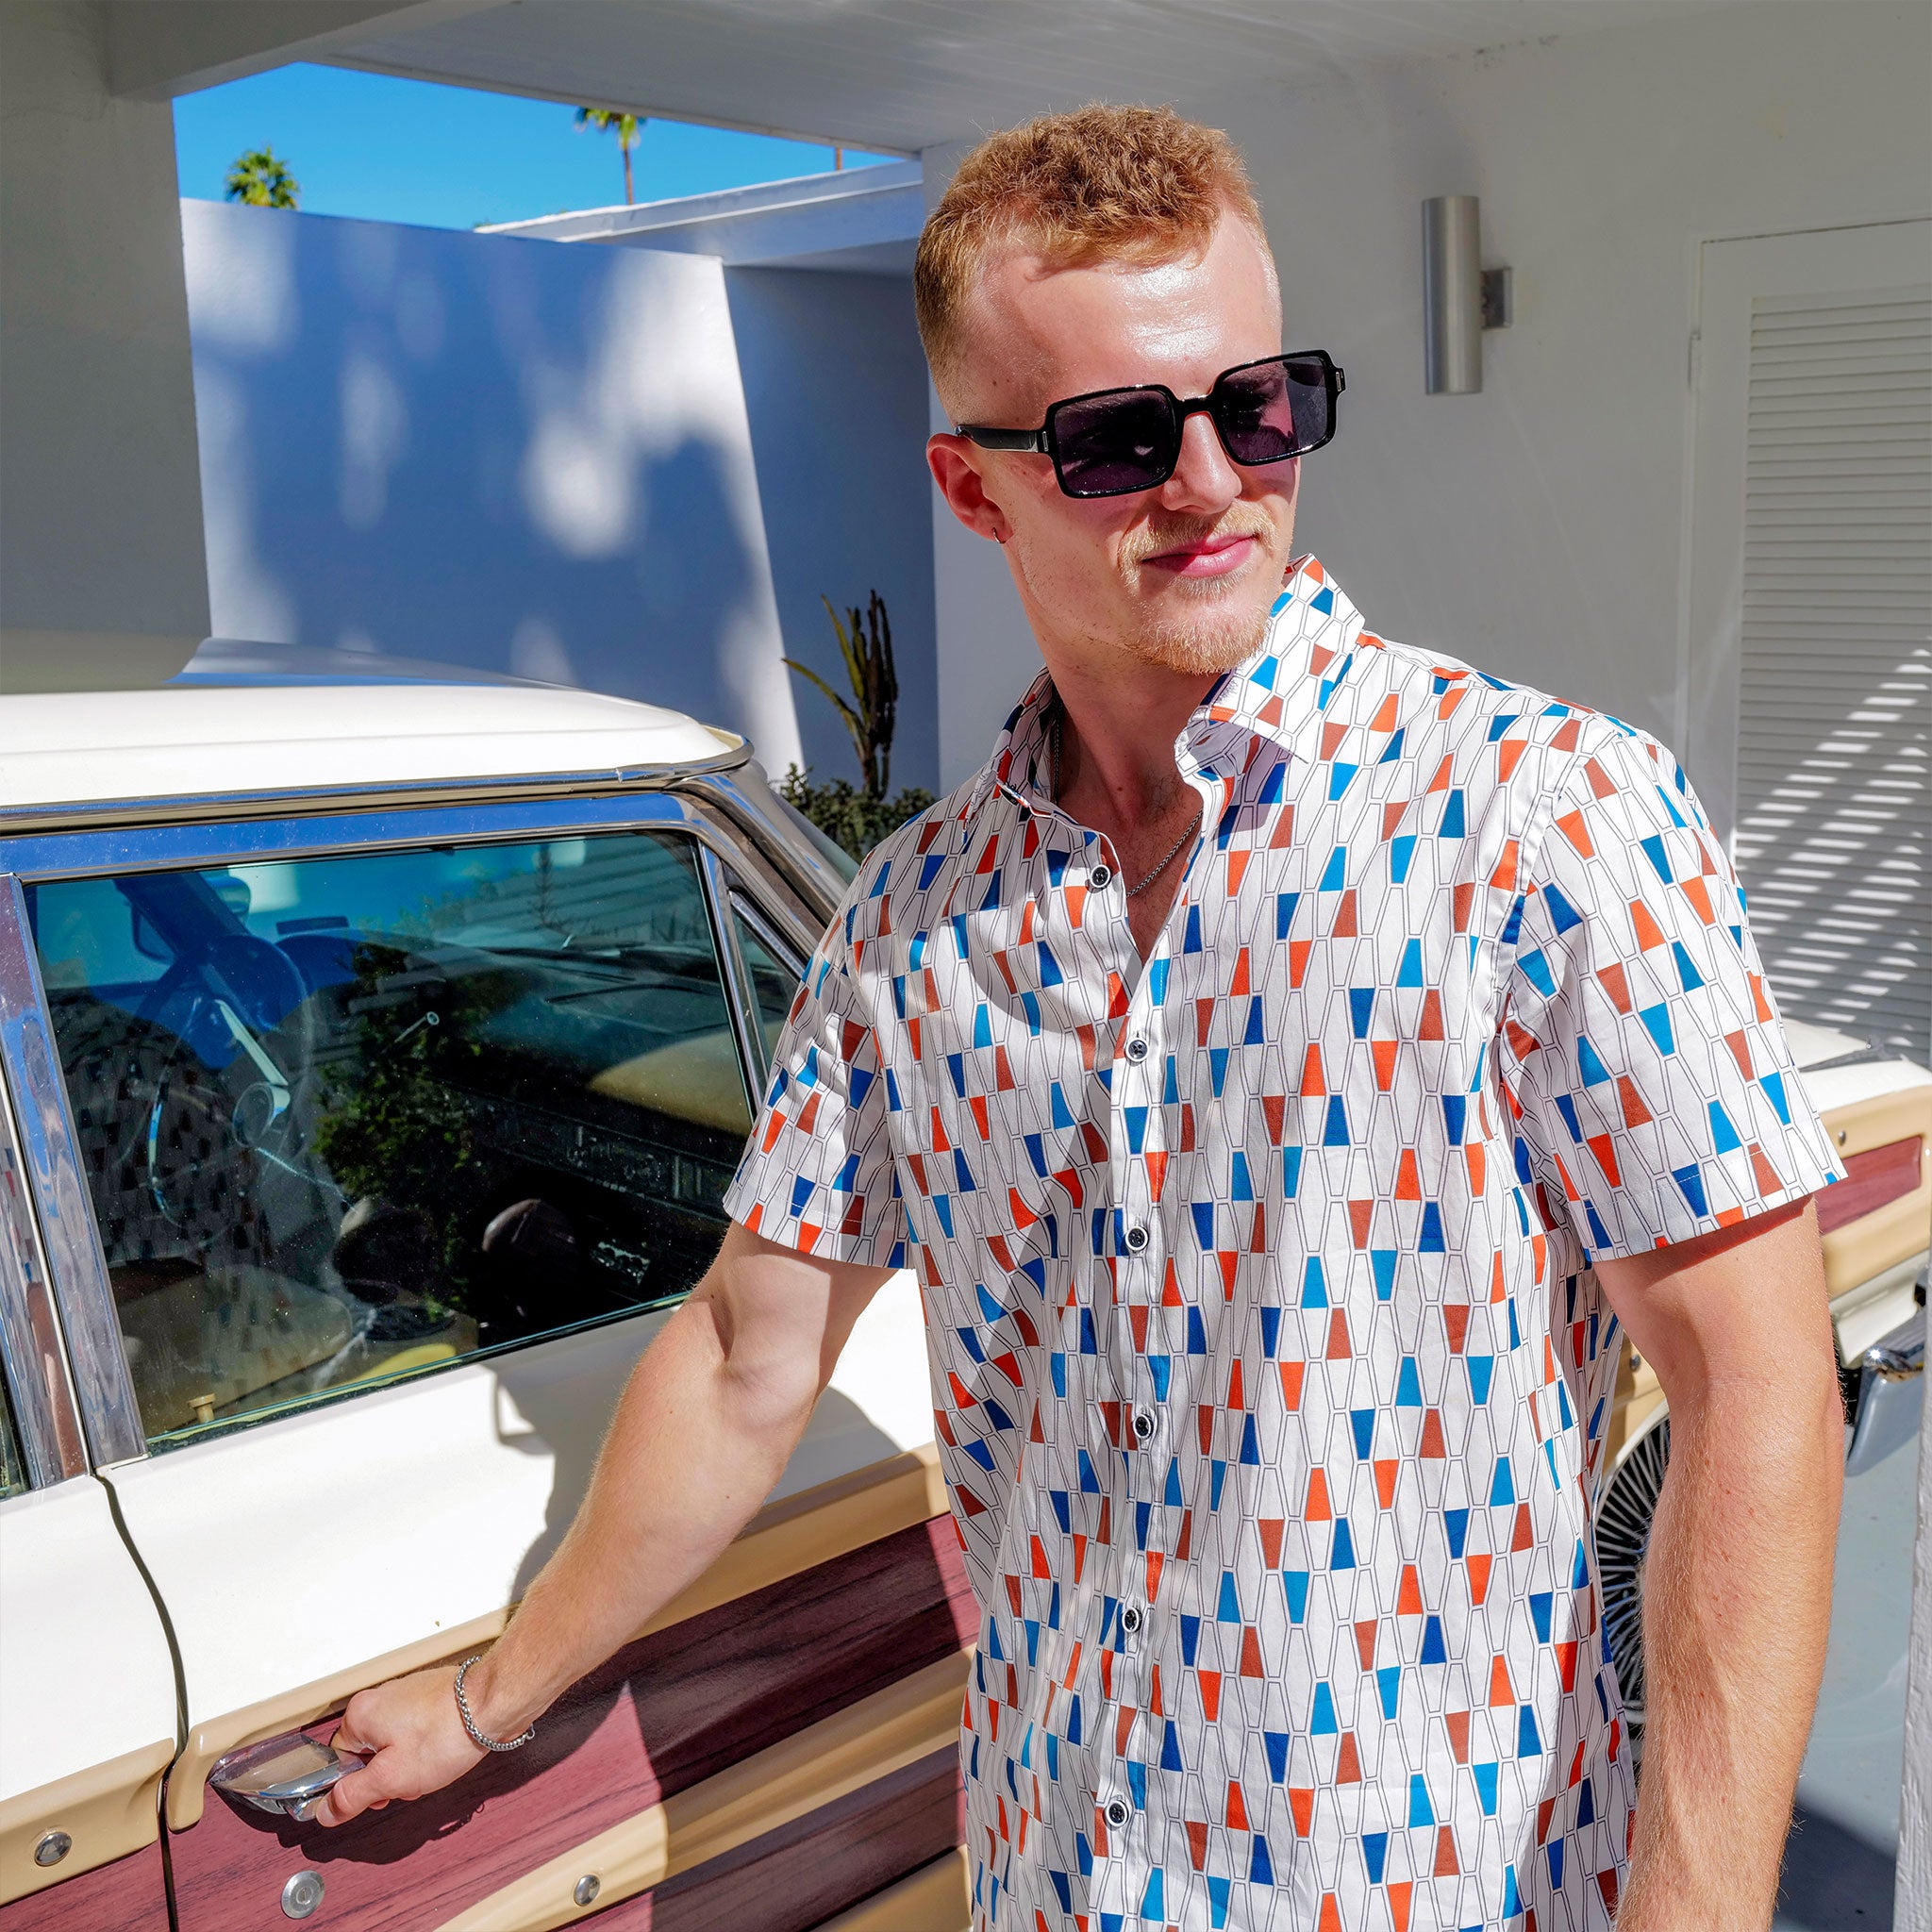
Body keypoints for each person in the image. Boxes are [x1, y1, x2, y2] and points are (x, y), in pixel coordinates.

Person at [318, 105, 1845, 1931]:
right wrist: (489, 1704)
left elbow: (1755, 1395)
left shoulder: (1545, 818)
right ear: (972, 489)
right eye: (1118, 437)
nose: (1209, 481)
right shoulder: (910, 923)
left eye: (1255, 405)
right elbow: (739, 1356)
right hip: (1055, 1883)